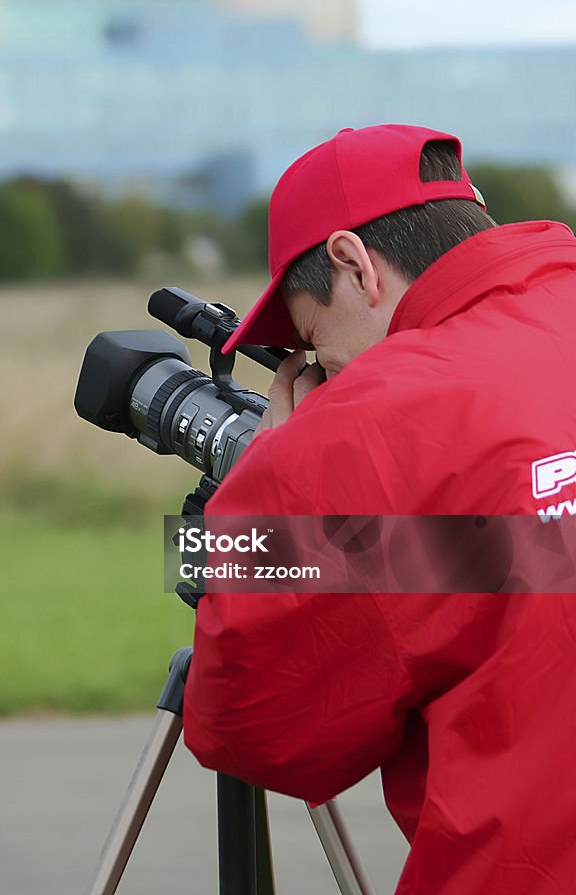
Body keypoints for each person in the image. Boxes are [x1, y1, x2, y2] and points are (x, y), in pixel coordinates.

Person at [181, 124, 576, 894]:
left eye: (314, 344)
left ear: (353, 263)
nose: (321, 374)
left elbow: (253, 722)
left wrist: (267, 486)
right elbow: (524, 558)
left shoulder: (384, 415)